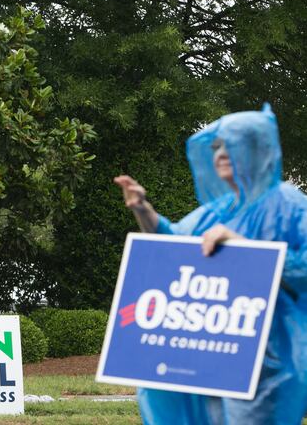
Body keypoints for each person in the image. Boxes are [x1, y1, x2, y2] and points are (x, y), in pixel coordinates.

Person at [114, 104, 307, 424]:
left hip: (271, 353)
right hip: (216, 343)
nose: (220, 154)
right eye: (216, 147)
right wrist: (144, 210)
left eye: (231, 146)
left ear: (258, 149)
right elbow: (176, 244)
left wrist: (246, 249)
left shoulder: (289, 204)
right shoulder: (217, 211)